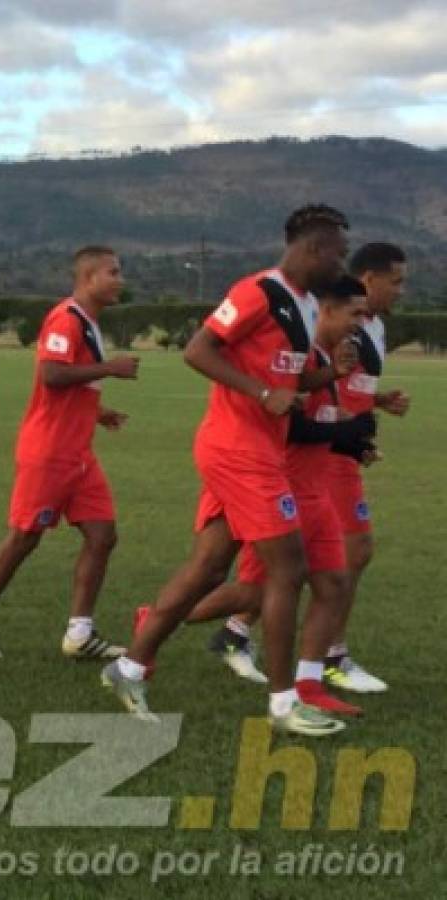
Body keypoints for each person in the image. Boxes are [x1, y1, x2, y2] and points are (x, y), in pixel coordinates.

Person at [103, 204, 350, 737]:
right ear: (313, 248)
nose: (342, 262)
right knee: (289, 570)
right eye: (338, 252)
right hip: (239, 451)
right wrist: (261, 393)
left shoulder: (305, 307)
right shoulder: (257, 292)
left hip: (258, 450)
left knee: (210, 569)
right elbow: (198, 350)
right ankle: (284, 704)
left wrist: (328, 375)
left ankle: (128, 667)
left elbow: (293, 380)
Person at [186, 277, 374, 716]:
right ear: (324, 311)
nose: (360, 323)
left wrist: (353, 443)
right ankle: (163, 619)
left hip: (318, 491)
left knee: (333, 584)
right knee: (252, 593)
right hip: (280, 488)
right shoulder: (297, 358)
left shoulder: (330, 362)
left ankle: (308, 686)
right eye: (354, 314)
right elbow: (293, 426)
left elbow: (317, 423)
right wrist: (345, 430)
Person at [0, 247, 136, 661]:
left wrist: (98, 411)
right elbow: (52, 375)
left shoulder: (88, 321)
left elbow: (71, 385)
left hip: (78, 452)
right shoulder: (66, 318)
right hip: (49, 451)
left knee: (102, 535)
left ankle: (79, 633)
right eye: (113, 272)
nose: (120, 279)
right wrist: (110, 368)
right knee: (25, 537)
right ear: (89, 277)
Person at [323, 242, 409, 693]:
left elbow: (350, 390)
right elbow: (322, 386)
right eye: (396, 282)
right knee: (353, 552)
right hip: (325, 450)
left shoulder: (372, 327)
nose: (401, 291)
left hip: (344, 447)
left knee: (278, 563)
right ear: (370, 280)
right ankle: (331, 657)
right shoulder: (340, 323)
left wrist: (376, 408)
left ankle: (230, 631)